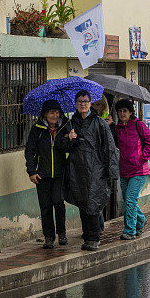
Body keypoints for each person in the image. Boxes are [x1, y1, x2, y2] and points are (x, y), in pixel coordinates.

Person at [58, 90, 119, 251]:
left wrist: (111, 172)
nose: (83, 104)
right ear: (75, 104)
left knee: (93, 203)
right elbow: (64, 147)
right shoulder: (71, 124)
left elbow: (110, 148)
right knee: (83, 204)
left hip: (95, 169)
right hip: (77, 170)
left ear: (90, 103)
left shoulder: (99, 123)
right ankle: (87, 235)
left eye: (85, 101)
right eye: (79, 101)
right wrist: (69, 139)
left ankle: (94, 237)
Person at [25, 99, 70, 249]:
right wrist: (31, 171)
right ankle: (49, 237)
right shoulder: (37, 129)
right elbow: (29, 151)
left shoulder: (65, 127)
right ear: (45, 114)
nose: (55, 115)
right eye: (52, 112)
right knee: (45, 206)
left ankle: (62, 233)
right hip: (41, 174)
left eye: (57, 112)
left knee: (58, 202)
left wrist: (70, 139)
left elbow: (71, 148)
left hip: (59, 173)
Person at [112, 99, 150, 240]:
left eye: (125, 111)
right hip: (124, 170)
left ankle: (129, 231)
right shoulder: (117, 128)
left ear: (131, 112)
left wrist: (141, 159)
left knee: (130, 201)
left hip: (138, 171)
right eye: (120, 111)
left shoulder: (138, 125)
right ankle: (141, 220)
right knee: (128, 200)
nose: (122, 113)